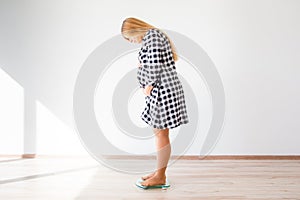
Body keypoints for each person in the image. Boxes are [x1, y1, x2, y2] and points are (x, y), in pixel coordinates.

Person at [121, 17, 189, 187]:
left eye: (129, 38)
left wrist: (148, 84)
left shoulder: (152, 36)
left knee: (161, 133)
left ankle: (161, 176)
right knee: (160, 133)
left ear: (133, 31)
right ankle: (159, 172)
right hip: (162, 90)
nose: (132, 42)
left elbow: (153, 65)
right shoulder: (154, 36)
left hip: (162, 91)